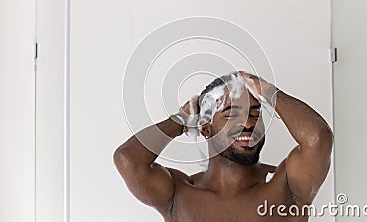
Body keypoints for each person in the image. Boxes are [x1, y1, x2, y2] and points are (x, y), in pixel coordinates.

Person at [114, 71, 333, 221]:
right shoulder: (179, 194)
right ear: (206, 129)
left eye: (255, 113)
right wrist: (179, 120)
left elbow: (318, 139)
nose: (248, 124)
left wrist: (270, 93)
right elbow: (127, 159)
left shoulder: (285, 186)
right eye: (232, 115)